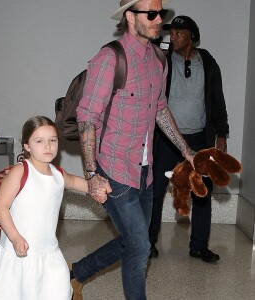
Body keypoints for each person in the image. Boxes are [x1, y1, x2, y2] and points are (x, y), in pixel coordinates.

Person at [70, 1, 196, 299]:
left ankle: (76, 273)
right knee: (140, 246)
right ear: (130, 16)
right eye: (150, 14)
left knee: (132, 240)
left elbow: (160, 110)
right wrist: (91, 174)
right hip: (113, 168)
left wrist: (186, 150)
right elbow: (87, 117)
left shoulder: (159, 60)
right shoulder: (109, 58)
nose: (158, 19)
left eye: (160, 13)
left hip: (146, 171)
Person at [0, 116, 111, 300]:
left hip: (48, 249)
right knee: (15, 292)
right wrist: (15, 237)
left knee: (51, 291)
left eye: (52, 140)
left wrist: (96, 187)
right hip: (20, 249)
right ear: (27, 146)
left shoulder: (57, 173)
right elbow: (2, 207)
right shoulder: (21, 171)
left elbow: (73, 181)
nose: (47, 146)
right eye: (39, 141)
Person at [149, 16, 229, 262]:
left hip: (199, 138)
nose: (172, 37)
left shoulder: (207, 61)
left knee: (202, 191)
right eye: (171, 32)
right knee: (155, 190)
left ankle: (199, 246)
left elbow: (217, 98)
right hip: (166, 139)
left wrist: (221, 133)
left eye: (179, 33)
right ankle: (147, 243)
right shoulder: (162, 59)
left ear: (192, 36)